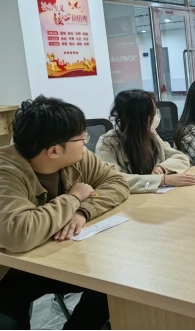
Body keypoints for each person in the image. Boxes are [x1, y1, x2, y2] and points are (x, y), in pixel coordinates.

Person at [0, 95, 130, 329]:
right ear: (53, 151)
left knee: (118, 282)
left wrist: (83, 211)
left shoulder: (77, 158)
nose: (86, 141)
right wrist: (73, 198)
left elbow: (117, 183)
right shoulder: (6, 171)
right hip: (12, 273)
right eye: (81, 137)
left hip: (57, 260)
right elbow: (20, 233)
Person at [96, 89, 195, 193]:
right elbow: (113, 179)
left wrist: (162, 168)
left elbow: (181, 158)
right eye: (152, 113)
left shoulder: (151, 134)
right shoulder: (108, 142)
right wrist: (162, 180)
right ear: (137, 117)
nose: (156, 116)